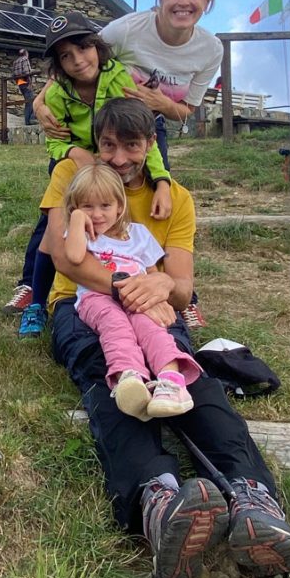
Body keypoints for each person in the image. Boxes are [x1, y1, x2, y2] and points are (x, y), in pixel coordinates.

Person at [42, 98, 290, 578]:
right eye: (109, 145)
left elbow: (182, 285)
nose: (119, 158)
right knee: (110, 368)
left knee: (183, 369)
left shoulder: (176, 198)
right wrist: (132, 288)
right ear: (96, 144)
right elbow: (64, 258)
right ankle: (155, 500)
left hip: (152, 306)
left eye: (132, 145)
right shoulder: (71, 181)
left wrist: (161, 288)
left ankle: (251, 496)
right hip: (82, 307)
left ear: (151, 145)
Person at [27, 0, 223, 330]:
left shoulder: (209, 49)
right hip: (94, 136)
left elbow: (187, 109)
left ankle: (179, 292)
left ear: (207, 1)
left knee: (154, 196)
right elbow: (78, 59)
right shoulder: (126, 30)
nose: (183, 0)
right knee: (61, 202)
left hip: (144, 124)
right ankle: (35, 287)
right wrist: (41, 104)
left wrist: (162, 174)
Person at [14, 12, 172, 340]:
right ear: (57, 66)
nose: (77, 60)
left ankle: (167, 290)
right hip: (78, 163)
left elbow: (141, 132)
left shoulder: (120, 79)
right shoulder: (57, 94)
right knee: (51, 229)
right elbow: (54, 139)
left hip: (117, 157)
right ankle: (36, 299)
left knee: (133, 218)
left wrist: (162, 181)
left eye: (83, 48)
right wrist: (75, 154)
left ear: (98, 47)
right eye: (65, 56)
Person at [63, 163, 201, 419]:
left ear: (120, 205)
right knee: (115, 326)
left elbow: (150, 273)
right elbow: (72, 256)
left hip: (137, 295)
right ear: (75, 207)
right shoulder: (81, 234)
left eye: (105, 206)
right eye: (87, 207)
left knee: (151, 329)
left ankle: (171, 382)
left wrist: (158, 300)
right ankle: (130, 378)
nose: (96, 214)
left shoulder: (138, 234)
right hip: (97, 298)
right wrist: (76, 220)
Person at [12, 48, 36, 126]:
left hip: (20, 83)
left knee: (28, 102)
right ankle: (30, 120)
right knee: (32, 101)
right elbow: (27, 72)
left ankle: (27, 121)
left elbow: (14, 75)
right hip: (26, 82)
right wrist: (30, 83)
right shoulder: (25, 59)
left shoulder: (15, 61)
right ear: (26, 53)